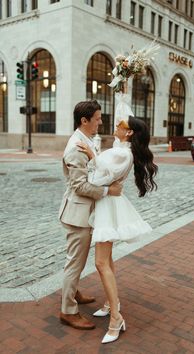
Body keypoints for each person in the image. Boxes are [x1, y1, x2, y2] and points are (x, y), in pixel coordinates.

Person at [77, 116, 158, 343]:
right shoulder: (120, 147)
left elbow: (104, 172)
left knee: (101, 263)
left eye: (120, 126)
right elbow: (104, 171)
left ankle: (116, 317)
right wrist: (122, 83)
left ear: (129, 132)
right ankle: (110, 304)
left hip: (108, 207)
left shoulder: (123, 153)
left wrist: (92, 154)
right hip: (107, 203)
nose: (115, 126)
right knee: (107, 260)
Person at [58, 100, 122, 330]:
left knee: (75, 261)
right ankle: (68, 310)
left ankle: (73, 292)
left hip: (83, 212)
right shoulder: (76, 147)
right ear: (84, 120)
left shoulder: (85, 140)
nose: (101, 121)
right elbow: (79, 186)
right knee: (75, 263)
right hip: (77, 215)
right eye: (97, 118)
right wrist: (109, 190)